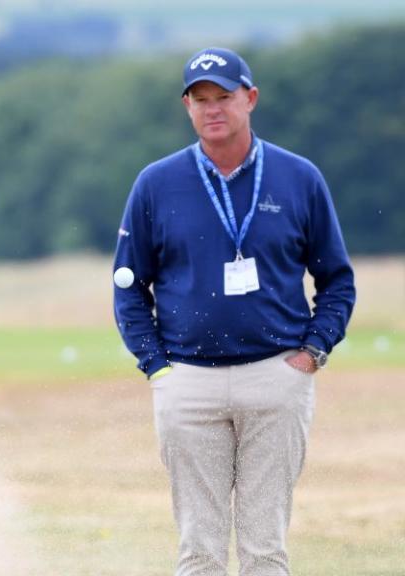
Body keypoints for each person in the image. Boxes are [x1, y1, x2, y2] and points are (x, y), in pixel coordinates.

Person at [113, 47, 355, 575]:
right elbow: (129, 286)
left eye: (223, 96)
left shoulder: (298, 177)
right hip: (188, 379)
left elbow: (336, 279)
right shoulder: (156, 183)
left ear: (250, 98)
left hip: (276, 374)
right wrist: (156, 366)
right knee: (199, 549)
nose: (212, 108)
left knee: (265, 548)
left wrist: (313, 353)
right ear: (186, 107)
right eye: (200, 99)